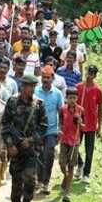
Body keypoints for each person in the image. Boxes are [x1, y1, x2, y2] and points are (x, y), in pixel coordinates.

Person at [1, 75, 48, 202]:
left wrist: (30, 140)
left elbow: (44, 127)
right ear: (23, 86)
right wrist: (10, 145)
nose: (32, 89)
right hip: (16, 149)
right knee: (16, 180)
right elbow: (5, 125)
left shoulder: (39, 104)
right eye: (29, 86)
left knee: (29, 177)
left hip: (31, 149)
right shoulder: (12, 102)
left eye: (34, 86)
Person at [34, 66, 63, 195]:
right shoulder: (35, 92)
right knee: (38, 155)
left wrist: (60, 130)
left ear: (53, 79)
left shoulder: (57, 94)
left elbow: (61, 113)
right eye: (44, 77)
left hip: (51, 130)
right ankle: (39, 180)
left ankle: (46, 182)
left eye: (48, 77)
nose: (45, 80)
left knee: (49, 155)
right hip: (37, 131)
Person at [74, 65, 102, 183]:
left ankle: (86, 173)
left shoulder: (98, 90)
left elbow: (100, 108)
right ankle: (79, 163)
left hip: (91, 124)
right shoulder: (79, 87)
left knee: (89, 150)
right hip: (79, 122)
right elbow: (73, 105)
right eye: (88, 72)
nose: (89, 75)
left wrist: (99, 126)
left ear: (95, 75)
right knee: (74, 146)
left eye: (92, 73)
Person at [58, 88, 84, 202]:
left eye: (74, 98)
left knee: (71, 165)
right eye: (70, 98)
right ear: (66, 98)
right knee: (62, 163)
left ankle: (67, 192)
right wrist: (59, 130)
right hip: (64, 140)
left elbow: (84, 126)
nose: (72, 100)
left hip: (74, 141)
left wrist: (80, 122)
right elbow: (60, 122)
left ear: (77, 98)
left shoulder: (81, 110)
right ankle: (66, 176)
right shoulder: (63, 109)